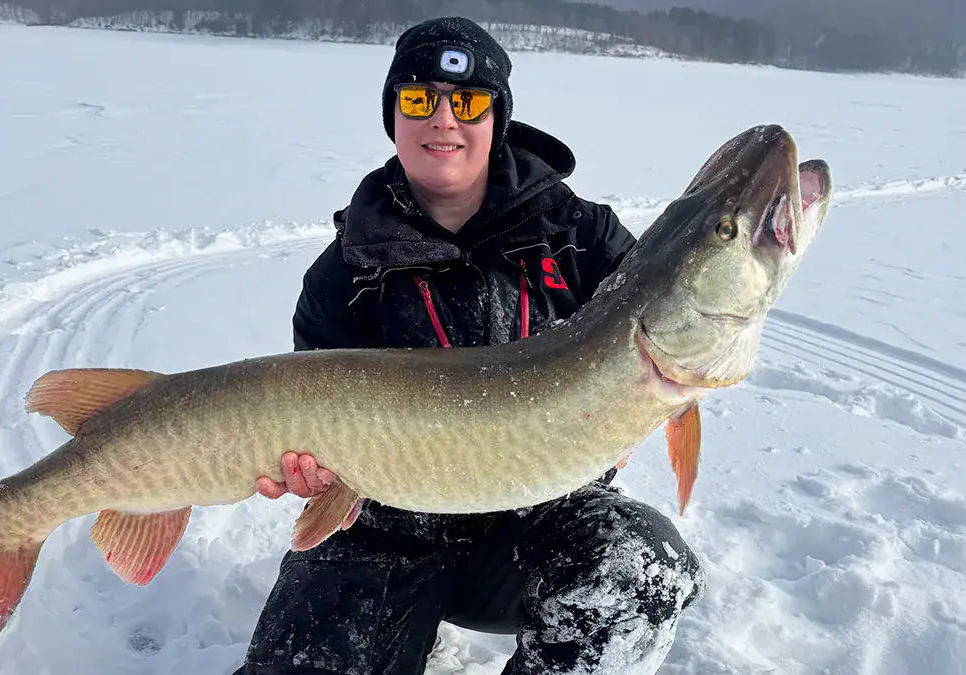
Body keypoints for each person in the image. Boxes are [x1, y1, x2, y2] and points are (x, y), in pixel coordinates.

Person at [233, 16, 704, 675]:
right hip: (380, 533)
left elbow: (670, 324)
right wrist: (309, 468)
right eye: (419, 99)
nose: (443, 120)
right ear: (394, 115)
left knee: (641, 567)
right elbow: (311, 421)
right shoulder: (343, 273)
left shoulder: (581, 238)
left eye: (469, 101)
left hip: (535, 526)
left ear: (497, 116)